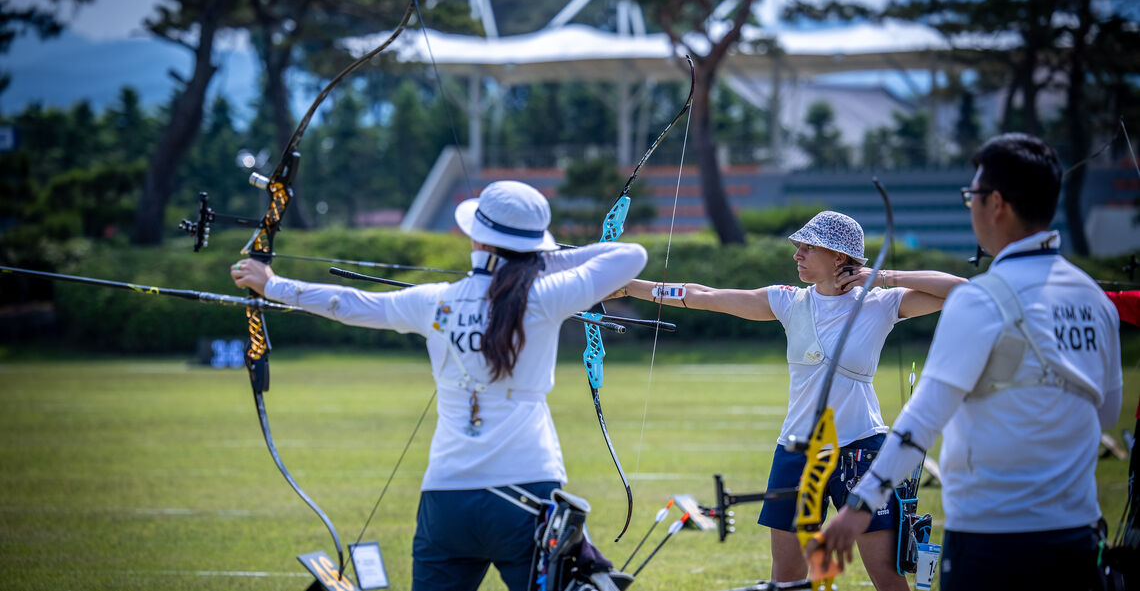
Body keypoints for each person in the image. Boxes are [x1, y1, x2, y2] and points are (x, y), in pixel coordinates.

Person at [231, 180, 647, 591]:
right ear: (534, 249)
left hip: (446, 499)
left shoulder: (436, 302)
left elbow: (352, 304)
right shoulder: (545, 295)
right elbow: (631, 254)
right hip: (526, 495)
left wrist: (271, 284)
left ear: (477, 240)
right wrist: (540, 261)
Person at [816, 133, 1124, 591]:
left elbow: (923, 418)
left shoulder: (980, 301)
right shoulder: (1095, 300)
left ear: (996, 203)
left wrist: (860, 504)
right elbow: (1107, 413)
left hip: (992, 542)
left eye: (972, 195)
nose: (970, 205)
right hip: (1078, 537)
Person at [613, 210, 965, 590]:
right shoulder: (788, 301)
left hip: (861, 450)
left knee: (887, 577)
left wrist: (880, 276)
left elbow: (961, 289)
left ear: (839, 258)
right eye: (798, 246)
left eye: (808, 247)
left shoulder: (880, 303)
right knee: (788, 582)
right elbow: (706, 296)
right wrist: (632, 287)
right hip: (797, 451)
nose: (797, 254)